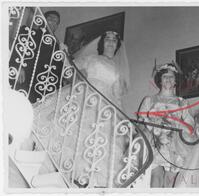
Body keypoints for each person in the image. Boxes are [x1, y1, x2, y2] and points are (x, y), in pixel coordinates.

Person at [26, 30, 130, 188]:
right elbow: (71, 70)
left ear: (117, 46)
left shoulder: (117, 69)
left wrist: (123, 120)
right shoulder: (91, 58)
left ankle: (77, 182)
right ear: (102, 43)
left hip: (105, 106)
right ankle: (52, 171)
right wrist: (65, 54)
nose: (110, 42)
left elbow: (117, 97)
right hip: (85, 95)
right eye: (107, 39)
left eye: (113, 41)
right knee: (71, 133)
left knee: (96, 143)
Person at [137, 62, 194, 187]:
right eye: (164, 76)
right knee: (155, 176)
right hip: (154, 141)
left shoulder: (182, 102)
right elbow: (141, 122)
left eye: (171, 76)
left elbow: (189, 126)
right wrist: (152, 126)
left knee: (171, 179)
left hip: (174, 143)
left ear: (175, 81)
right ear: (160, 81)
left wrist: (176, 125)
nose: (168, 79)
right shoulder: (149, 100)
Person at [12, 10, 66, 103]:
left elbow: (59, 65)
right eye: (50, 18)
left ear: (56, 26)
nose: (53, 20)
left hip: (45, 84)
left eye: (56, 20)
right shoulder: (28, 31)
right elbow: (16, 49)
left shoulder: (58, 44)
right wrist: (18, 65)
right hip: (27, 76)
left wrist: (62, 83)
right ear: (42, 20)